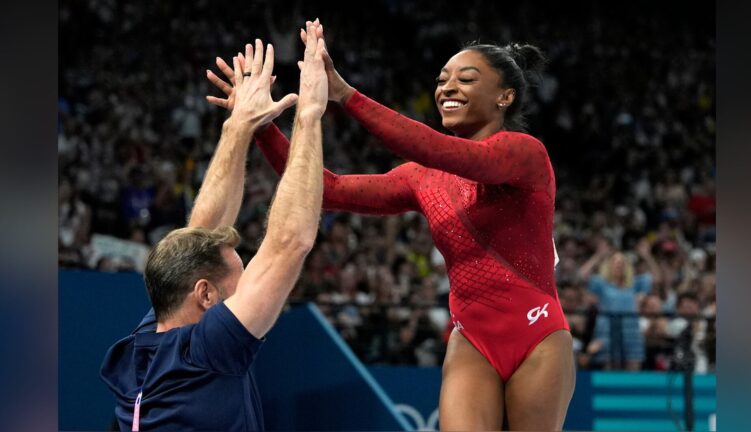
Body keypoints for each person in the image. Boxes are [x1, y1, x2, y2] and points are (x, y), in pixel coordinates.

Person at [207, 20, 573, 430]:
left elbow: (444, 152)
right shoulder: (423, 177)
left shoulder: (525, 154)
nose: (447, 88)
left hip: (537, 334)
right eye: (442, 80)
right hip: (472, 338)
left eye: (466, 79)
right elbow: (329, 189)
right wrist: (260, 125)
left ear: (505, 96)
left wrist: (346, 95)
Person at [100, 22, 328, 431]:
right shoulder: (207, 352)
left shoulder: (147, 341)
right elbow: (289, 242)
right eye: (238, 285)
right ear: (204, 294)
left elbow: (199, 235)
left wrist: (238, 126)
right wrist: (310, 114)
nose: (248, 292)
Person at [577, 237, 661, 370]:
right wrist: (598, 256)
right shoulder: (602, 284)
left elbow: (656, 277)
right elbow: (581, 275)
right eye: (615, 263)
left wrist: (646, 256)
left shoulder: (633, 284)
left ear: (627, 267)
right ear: (609, 266)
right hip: (607, 332)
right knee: (609, 370)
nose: (619, 266)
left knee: (633, 369)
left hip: (631, 331)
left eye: (622, 263)